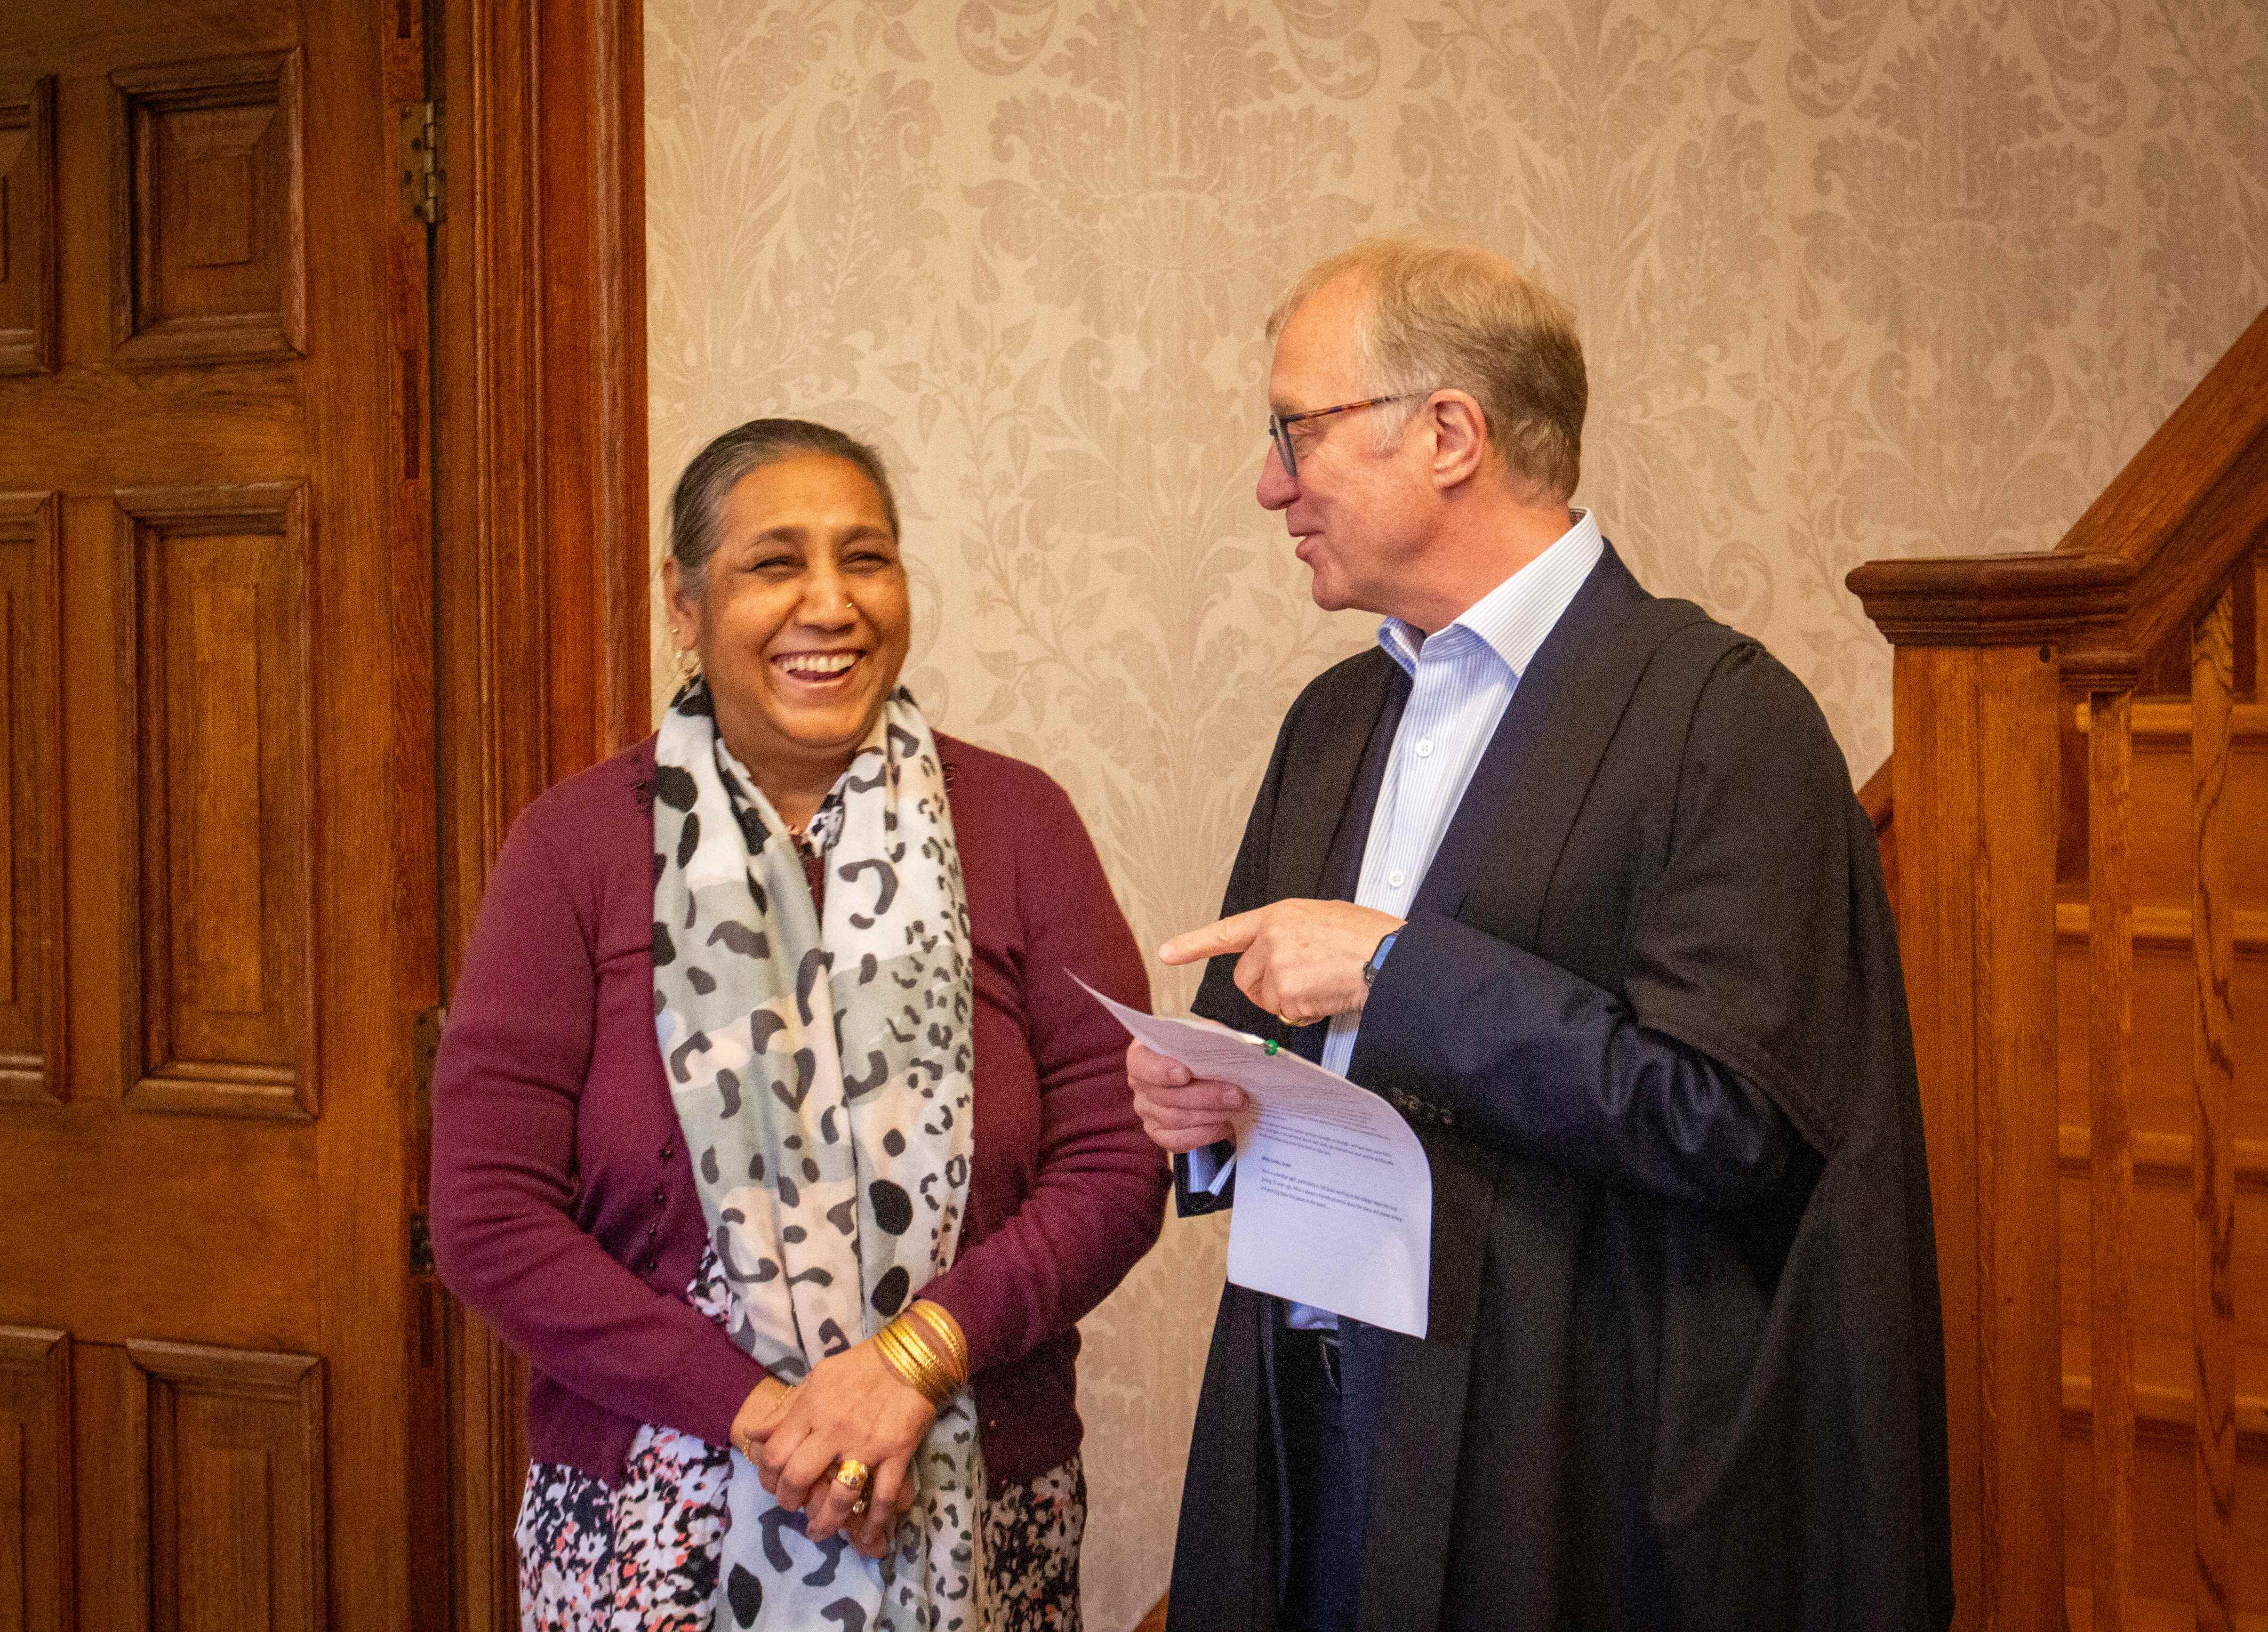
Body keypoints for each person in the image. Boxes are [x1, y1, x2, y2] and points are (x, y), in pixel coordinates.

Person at [1129, 238, 1951, 1631]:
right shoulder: (1332, 725)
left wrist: (1396, 967)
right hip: (1310, 1440)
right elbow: (1287, 1043)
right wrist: (1211, 1103)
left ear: (1448, 432)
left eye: (1297, 430)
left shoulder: (1721, 717)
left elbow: (1729, 1118)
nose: (1272, 481)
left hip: (1567, 1481)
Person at [432, 417, 1168, 1631]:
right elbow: (486, 1215)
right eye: (775, 564)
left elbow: (1119, 1154)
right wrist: (779, 1417)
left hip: (977, 1500)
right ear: (684, 601)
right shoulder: (573, 850)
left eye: (865, 559)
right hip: (649, 1517)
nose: (829, 604)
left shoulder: (1020, 824)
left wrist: (912, 1363)